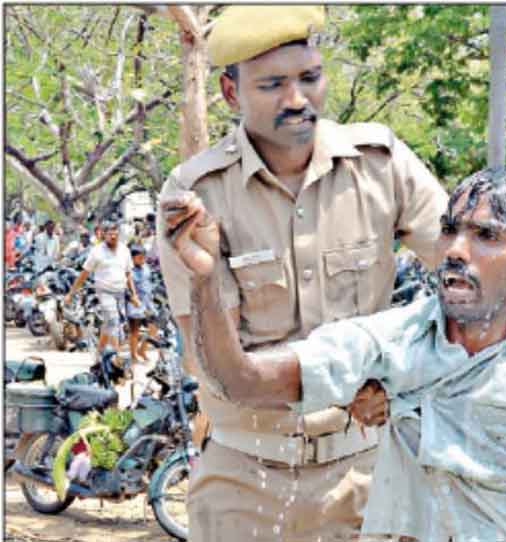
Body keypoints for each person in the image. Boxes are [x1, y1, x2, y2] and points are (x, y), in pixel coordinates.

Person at [177, 168, 506, 541]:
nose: (455, 250)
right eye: (450, 230)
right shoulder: (399, 338)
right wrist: (204, 279)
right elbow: (241, 381)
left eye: (486, 236)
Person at [156, 5, 450, 541]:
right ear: (229, 92)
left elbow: (470, 281)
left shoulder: (381, 163)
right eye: (272, 85)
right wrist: (337, 380)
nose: (297, 100)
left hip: (368, 474)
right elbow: (210, 358)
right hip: (244, 480)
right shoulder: (196, 195)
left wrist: (406, 376)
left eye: (309, 79)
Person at [65, 220, 140, 356]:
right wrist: (71, 293)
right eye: (109, 234)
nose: (113, 237)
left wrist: (133, 294)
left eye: (115, 233)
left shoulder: (124, 250)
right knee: (113, 320)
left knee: (108, 325)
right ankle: (117, 358)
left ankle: (99, 354)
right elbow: (84, 274)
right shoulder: (96, 251)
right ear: (103, 235)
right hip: (104, 291)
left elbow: (128, 273)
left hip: (120, 292)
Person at [127, 245, 158, 363]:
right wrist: (132, 299)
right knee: (135, 330)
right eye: (139, 257)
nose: (142, 259)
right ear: (132, 258)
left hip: (148, 302)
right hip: (134, 303)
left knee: (154, 327)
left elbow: (149, 281)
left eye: (143, 257)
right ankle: (133, 355)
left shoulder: (146, 268)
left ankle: (142, 349)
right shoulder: (128, 270)